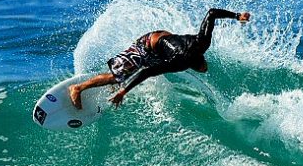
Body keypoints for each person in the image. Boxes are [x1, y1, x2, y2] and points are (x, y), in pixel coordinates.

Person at [69, 8, 251, 109]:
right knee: (117, 76)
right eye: (202, 68)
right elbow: (148, 72)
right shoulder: (179, 62)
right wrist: (125, 91)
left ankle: (115, 83)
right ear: (192, 65)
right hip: (146, 45)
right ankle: (78, 88)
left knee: (134, 72)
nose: (205, 68)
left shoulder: (202, 42)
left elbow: (211, 13)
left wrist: (237, 16)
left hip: (161, 47)